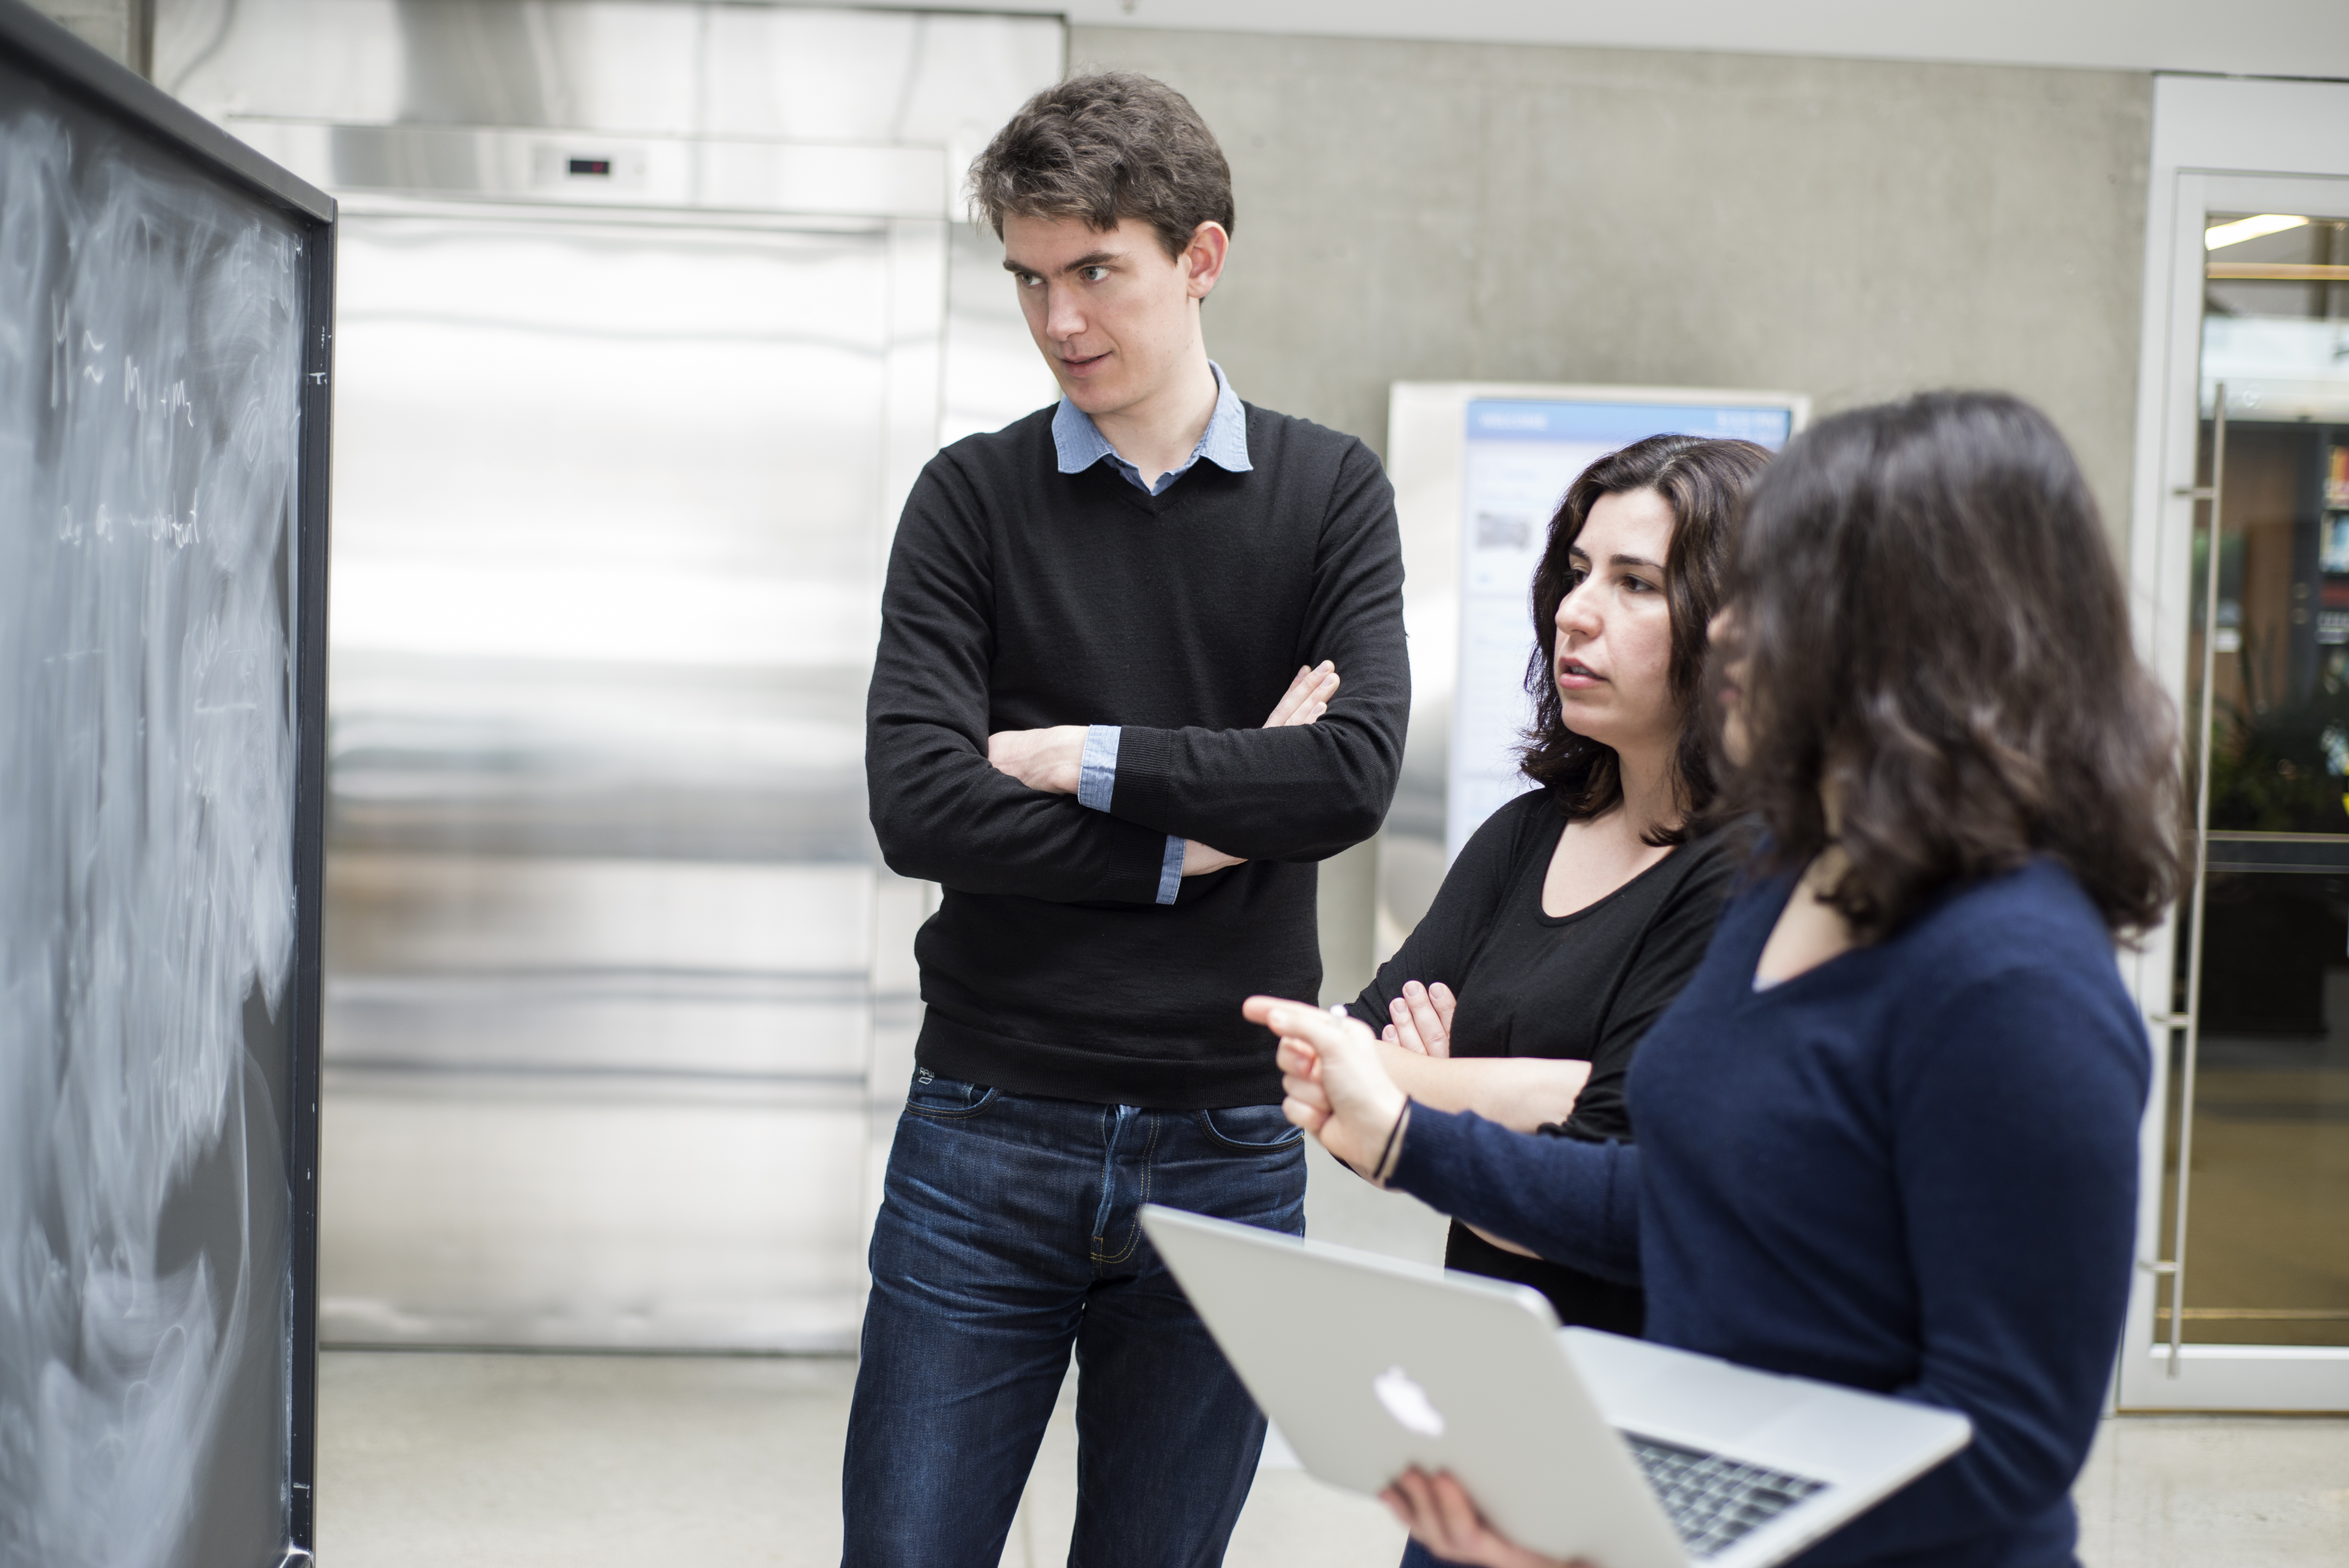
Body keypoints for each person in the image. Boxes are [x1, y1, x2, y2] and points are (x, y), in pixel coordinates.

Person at [1253, 391, 2180, 1567]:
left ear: (1929, 635)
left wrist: (1634, 1533)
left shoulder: (2018, 980)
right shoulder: (1797, 877)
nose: (1731, 633)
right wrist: (1408, 1138)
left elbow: (2001, 1446)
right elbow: (1689, 1204)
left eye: (1782, 594)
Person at [848, 73, 1409, 1567]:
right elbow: (919, 806)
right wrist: (1215, 824)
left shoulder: (1326, 494)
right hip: (983, 1128)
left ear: (1200, 258)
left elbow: (1349, 773)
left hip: (1226, 1145)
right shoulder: (966, 502)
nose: (1059, 321)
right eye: (1030, 278)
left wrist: (1075, 756)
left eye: (1096, 270)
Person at [1342, 435, 1767, 1341]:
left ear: (1734, 622)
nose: (1575, 612)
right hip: (1493, 1369)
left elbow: (1611, 1185)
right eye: (1576, 572)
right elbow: (1335, 1072)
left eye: (1634, 583)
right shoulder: (1527, 831)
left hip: (1654, 1393)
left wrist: (1421, 1089)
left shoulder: (1750, 873)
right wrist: (1532, 1096)